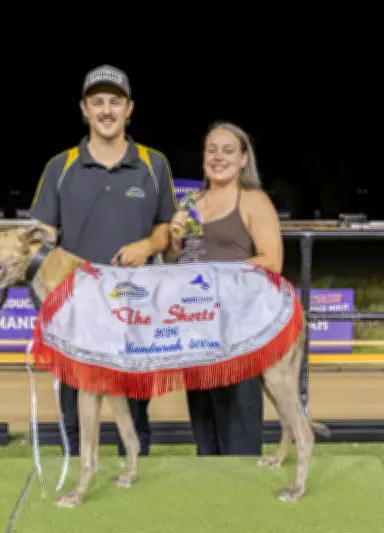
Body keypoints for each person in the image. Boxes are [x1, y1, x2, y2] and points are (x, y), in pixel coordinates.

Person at [26, 65, 177, 457]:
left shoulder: (153, 163)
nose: (106, 110)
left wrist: (148, 245)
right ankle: (75, 470)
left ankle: (134, 470)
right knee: (75, 410)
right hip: (75, 311)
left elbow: (167, 228)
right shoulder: (60, 167)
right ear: (84, 109)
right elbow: (39, 237)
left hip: (134, 306)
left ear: (129, 109)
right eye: (98, 103)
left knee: (135, 406)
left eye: (115, 102)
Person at [166, 122, 284, 456]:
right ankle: (211, 489)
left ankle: (244, 493)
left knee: (238, 417)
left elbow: (272, 261)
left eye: (228, 150)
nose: (218, 157)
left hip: (236, 324)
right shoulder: (191, 202)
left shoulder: (253, 200)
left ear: (244, 158)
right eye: (211, 149)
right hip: (195, 323)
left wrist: (219, 274)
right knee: (203, 419)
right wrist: (175, 242)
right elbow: (180, 261)